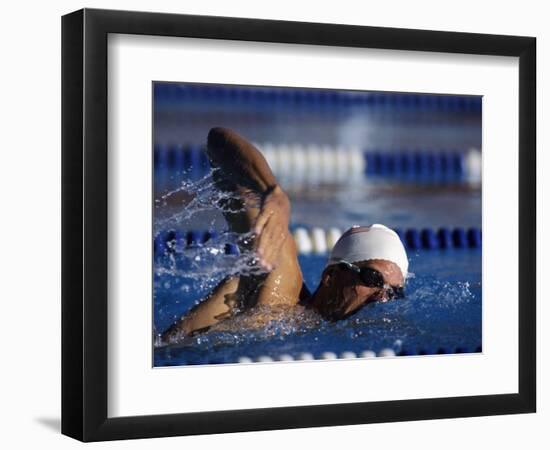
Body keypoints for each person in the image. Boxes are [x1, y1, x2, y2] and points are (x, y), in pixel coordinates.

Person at [161, 127, 408, 342]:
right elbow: (217, 141)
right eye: (373, 278)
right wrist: (272, 191)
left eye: (394, 292)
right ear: (331, 276)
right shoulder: (280, 278)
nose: (382, 296)